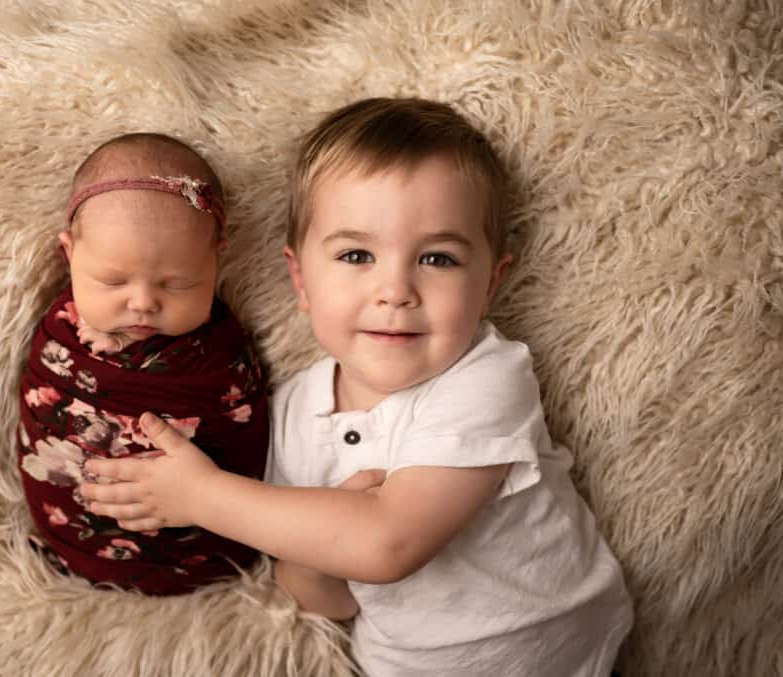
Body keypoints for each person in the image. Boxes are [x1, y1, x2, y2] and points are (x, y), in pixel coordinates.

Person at [78, 98, 634, 675]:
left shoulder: (486, 378)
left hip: (558, 652)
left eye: (438, 259)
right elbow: (328, 598)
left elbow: (388, 544)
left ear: (490, 284)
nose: (395, 290)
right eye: (356, 254)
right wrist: (322, 540)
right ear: (300, 278)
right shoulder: (292, 412)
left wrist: (201, 496)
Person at [17, 132, 268, 595]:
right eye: (111, 281)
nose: (143, 304)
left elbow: (246, 446)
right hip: (69, 542)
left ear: (217, 258)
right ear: (69, 253)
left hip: (195, 561)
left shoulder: (216, 358)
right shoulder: (61, 337)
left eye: (178, 284)